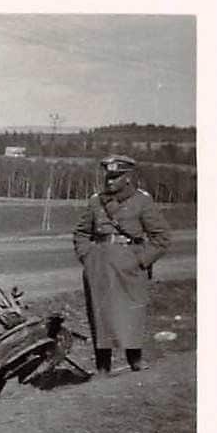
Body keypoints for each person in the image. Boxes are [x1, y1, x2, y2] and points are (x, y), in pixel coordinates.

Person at [73, 154, 170, 375]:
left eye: (115, 177)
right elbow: (81, 232)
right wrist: (87, 257)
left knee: (131, 311)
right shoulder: (96, 201)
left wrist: (141, 260)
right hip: (99, 264)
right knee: (100, 313)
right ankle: (103, 366)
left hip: (130, 264)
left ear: (127, 178)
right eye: (108, 177)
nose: (110, 181)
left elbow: (162, 237)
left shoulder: (142, 201)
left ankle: (135, 359)